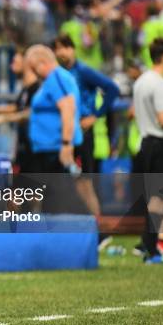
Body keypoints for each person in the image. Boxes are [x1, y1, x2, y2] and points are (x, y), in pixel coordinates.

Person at [54, 34, 120, 218]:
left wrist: (95, 115)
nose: (61, 52)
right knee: (62, 181)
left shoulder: (83, 71)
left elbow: (113, 89)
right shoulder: (56, 73)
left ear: (73, 49)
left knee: (84, 182)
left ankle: (97, 229)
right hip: (63, 134)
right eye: (57, 48)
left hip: (82, 135)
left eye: (64, 47)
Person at [132, 38, 163, 257]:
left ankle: (149, 242)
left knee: (156, 197)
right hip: (161, 143)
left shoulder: (142, 81)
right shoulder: (159, 84)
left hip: (146, 142)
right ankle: (159, 242)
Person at [0, 48, 41, 172]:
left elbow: (29, 113)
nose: (12, 65)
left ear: (27, 62)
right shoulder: (26, 89)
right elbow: (15, 108)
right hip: (23, 146)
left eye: (15, 61)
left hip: (35, 147)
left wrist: (1, 119)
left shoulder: (38, 88)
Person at [26, 44, 82, 173]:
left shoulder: (56, 78)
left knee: (56, 190)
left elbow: (68, 109)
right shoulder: (53, 79)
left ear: (42, 63)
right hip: (48, 147)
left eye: (35, 68)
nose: (35, 73)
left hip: (55, 148)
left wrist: (66, 144)